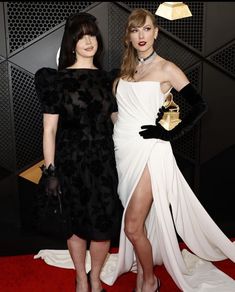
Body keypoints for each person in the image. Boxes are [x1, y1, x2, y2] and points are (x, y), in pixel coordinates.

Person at [100, 8, 235, 292]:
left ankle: (150, 281)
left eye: (146, 29)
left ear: (156, 33)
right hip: (124, 151)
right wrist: (117, 122)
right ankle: (141, 276)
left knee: (132, 227)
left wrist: (168, 132)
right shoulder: (126, 69)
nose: (141, 35)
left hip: (150, 152)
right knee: (140, 224)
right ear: (128, 35)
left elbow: (200, 106)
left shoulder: (167, 68)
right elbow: (119, 109)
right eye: (135, 30)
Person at [34, 12, 122, 292]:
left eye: (92, 35)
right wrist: (50, 171)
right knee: (74, 224)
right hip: (70, 162)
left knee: (102, 224)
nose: (88, 40)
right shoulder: (56, 80)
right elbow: (49, 129)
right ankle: (81, 278)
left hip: (104, 160)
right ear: (71, 42)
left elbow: (118, 121)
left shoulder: (110, 79)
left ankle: (95, 276)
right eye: (81, 35)